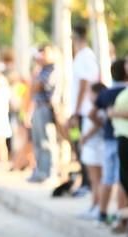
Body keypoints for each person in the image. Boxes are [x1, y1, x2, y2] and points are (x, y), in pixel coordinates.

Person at [90, 59, 127, 227]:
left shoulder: (106, 94)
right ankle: (121, 215)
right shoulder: (124, 92)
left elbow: (92, 113)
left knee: (108, 178)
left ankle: (103, 213)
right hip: (121, 138)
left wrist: (102, 124)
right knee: (122, 179)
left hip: (110, 139)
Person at [68, 24, 100, 195]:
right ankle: (85, 181)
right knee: (78, 144)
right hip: (81, 110)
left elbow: (83, 85)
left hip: (83, 111)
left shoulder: (84, 57)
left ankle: (88, 184)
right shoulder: (84, 56)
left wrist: (76, 111)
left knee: (83, 146)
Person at [28, 44, 59, 183]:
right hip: (38, 106)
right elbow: (32, 87)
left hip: (46, 107)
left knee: (46, 141)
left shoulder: (53, 68)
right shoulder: (41, 69)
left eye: (44, 53)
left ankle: (49, 172)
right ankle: (40, 171)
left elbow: (38, 86)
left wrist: (35, 80)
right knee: (38, 141)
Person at [77, 82, 106, 219]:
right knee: (94, 179)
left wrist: (85, 137)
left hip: (96, 147)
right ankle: (94, 206)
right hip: (93, 146)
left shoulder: (100, 108)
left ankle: (98, 207)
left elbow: (97, 125)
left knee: (97, 179)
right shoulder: (98, 107)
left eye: (90, 92)